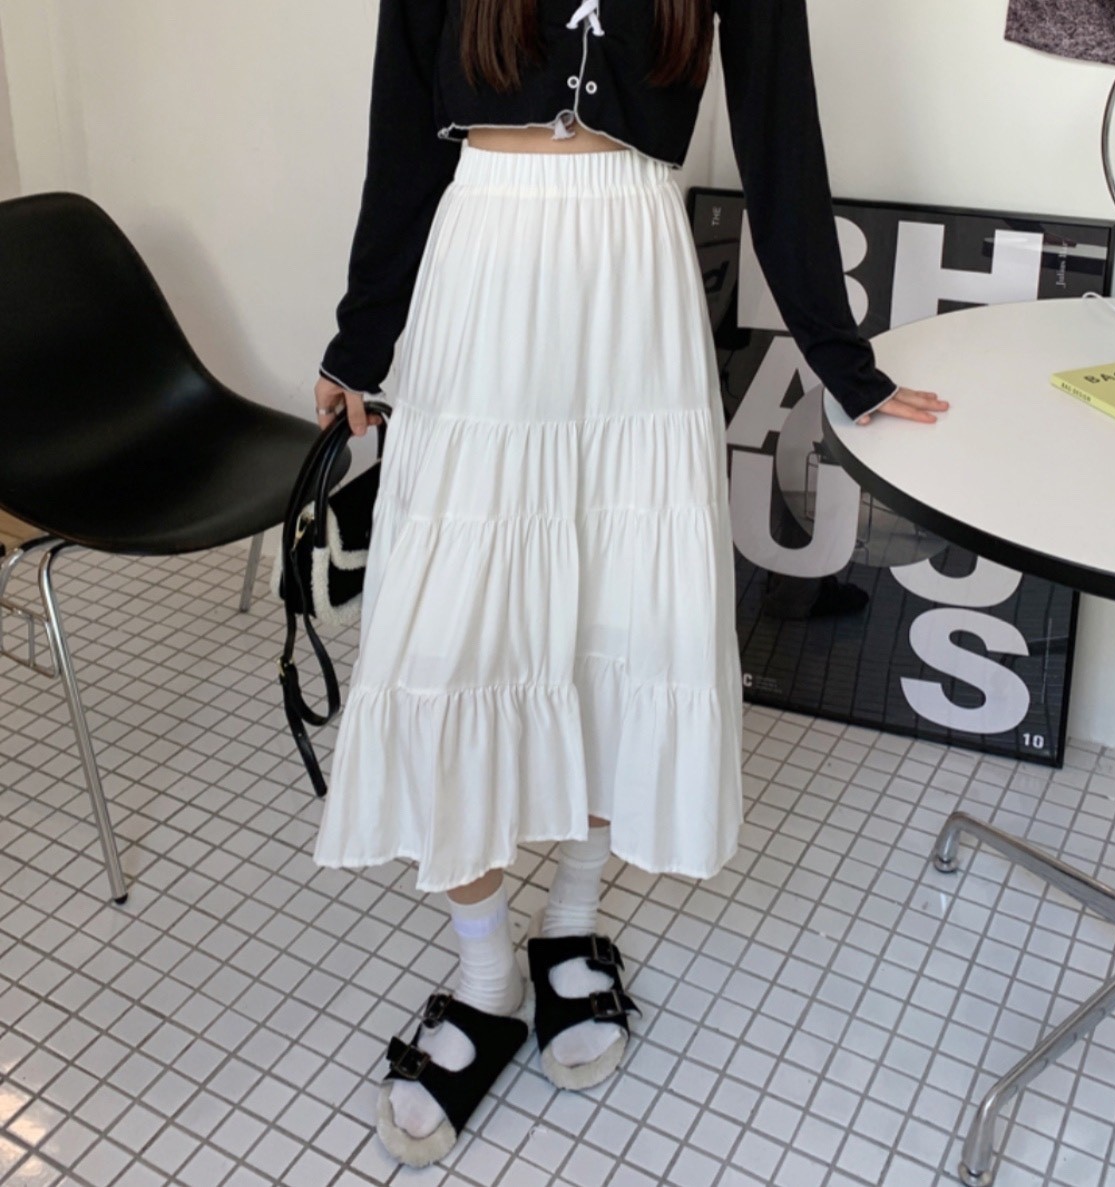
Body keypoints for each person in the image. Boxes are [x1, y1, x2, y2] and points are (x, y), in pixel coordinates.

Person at [310, 0, 948, 1168]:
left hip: (635, 275)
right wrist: (361, 339)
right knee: (452, 635)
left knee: (625, 615)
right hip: (484, 260)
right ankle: (486, 974)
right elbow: (401, 124)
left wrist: (840, 359)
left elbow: (779, 124)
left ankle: (570, 925)